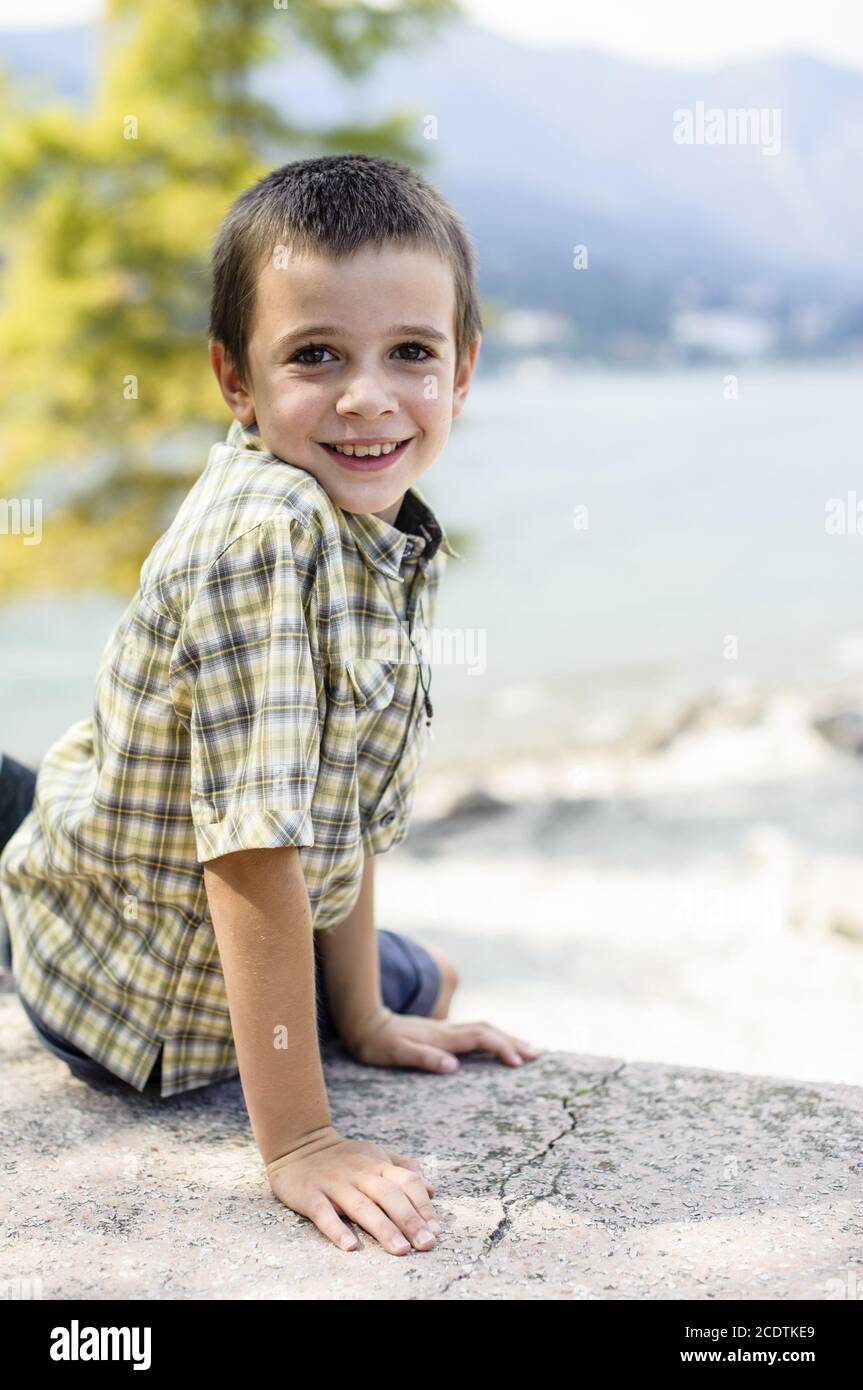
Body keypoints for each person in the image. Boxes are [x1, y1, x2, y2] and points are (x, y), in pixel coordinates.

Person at [0, 154, 541, 1259]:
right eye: (315, 356)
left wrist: (366, 1022)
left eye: (410, 354)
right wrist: (301, 1140)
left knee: (420, 981)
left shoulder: (370, 522)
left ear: (464, 368)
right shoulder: (268, 539)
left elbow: (336, 797)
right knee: (30, 843)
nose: (367, 396)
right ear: (234, 379)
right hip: (131, 1005)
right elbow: (253, 850)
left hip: (147, 884)